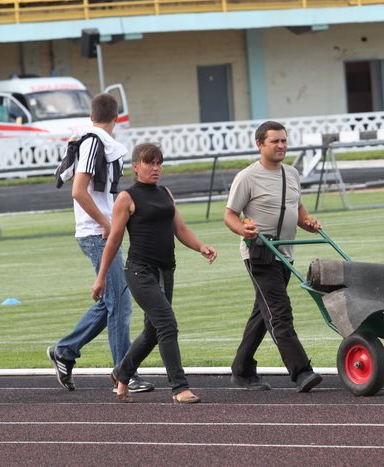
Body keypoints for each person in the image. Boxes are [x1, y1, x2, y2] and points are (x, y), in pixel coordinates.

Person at [92, 142, 217, 403]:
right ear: (136, 166)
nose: (156, 168)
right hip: (140, 271)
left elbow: (180, 228)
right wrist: (101, 277)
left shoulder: (165, 193)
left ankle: (121, 373)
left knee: (152, 331)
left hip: (166, 270)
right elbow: (114, 239)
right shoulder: (126, 198)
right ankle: (179, 387)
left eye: (159, 163)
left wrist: (201, 246)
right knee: (167, 323)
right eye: (150, 163)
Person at [47, 93, 153, 393]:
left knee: (113, 303)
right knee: (120, 305)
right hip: (97, 232)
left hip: (101, 231)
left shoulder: (93, 140)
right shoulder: (94, 142)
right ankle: (124, 373)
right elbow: (78, 191)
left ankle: (65, 351)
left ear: (92, 116)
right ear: (116, 118)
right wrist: (107, 223)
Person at [224, 120, 323, 392]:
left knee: (263, 313)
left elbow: (298, 209)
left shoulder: (291, 174)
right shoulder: (247, 177)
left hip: (286, 254)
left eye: (284, 140)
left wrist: (309, 223)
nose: (281, 145)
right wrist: (243, 230)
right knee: (279, 312)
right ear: (260, 144)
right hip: (260, 254)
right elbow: (230, 215)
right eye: (275, 141)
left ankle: (242, 370)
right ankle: (301, 371)